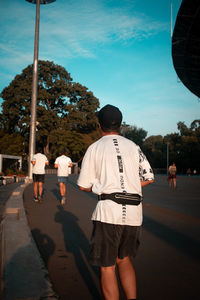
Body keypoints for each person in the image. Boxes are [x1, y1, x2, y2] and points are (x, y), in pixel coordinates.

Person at [77, 104, 154, 300]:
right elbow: (149, 177)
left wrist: (101, 185)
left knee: (107, 266)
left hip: (108, 213)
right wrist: (128, 186)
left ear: (99, 125)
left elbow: (83, 185)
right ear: (120, 125)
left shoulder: (94, 148)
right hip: (134, 213)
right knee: (124, 259)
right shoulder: (134, 146)